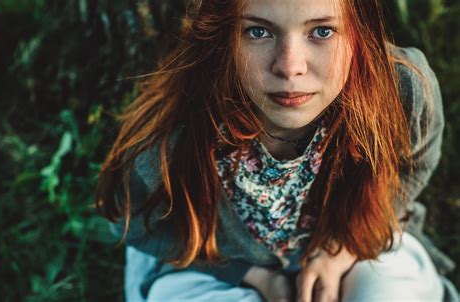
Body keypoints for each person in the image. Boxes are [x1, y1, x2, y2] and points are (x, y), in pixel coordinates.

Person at [96, 0, 458, 301]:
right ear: (224, 37)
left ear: (359, 34)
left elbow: (410, 170)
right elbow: (139, 227)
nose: (289, 67)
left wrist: (339, 253)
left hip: (356, 242)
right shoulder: (172, 137)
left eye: (322, 31)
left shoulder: (399, 91)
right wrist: (250, 274)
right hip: (219, 266)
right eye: (259, 31)